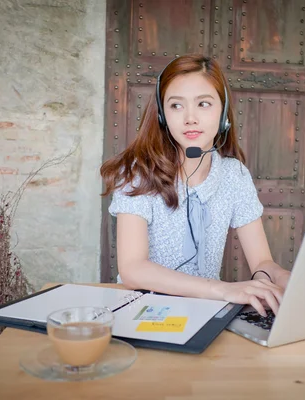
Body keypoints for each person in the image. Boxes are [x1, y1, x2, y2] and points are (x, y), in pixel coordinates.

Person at [100, 54, 290, 316]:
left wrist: (282, 277)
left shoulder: (234, 175)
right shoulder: (138, 172)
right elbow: (133, 269)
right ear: (163, 115)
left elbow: (261, 262)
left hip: (203, 312)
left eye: (203, 104)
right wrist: (224, 290)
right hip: (143, 311)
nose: (190, 118)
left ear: (223, 113)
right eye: (176, 106)